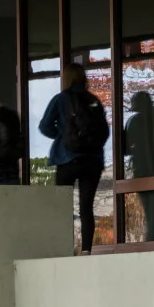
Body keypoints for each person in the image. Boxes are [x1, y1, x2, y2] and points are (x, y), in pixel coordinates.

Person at [38, 63, 109, 254]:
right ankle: (86, 250)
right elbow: (104, 131)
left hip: (66, 159)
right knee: (86, 207)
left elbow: (44, 126)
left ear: (66, 78)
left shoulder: (60, 100)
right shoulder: (93, 101)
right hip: (92, 161)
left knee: (61, 206)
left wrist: (62, 136)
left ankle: (64, 248)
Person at [124, 90, 154, 240]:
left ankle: (153, 240)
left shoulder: (134, 122)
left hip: (142, 173)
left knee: (151, 214)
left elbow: (125, 149)